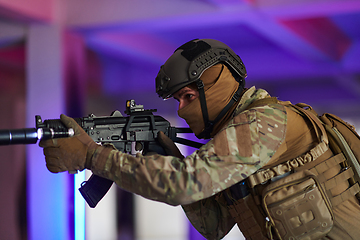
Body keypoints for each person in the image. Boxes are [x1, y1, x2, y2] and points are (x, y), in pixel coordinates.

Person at [40, 39, 360, 240]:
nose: (181, 109)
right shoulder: (244, 140)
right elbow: (214, 226)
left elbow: (184, 185)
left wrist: (93, 157)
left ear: (216, 86)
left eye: (187, 96)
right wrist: (170, 159)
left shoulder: (264, 121)